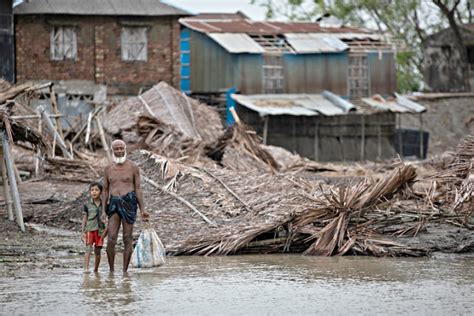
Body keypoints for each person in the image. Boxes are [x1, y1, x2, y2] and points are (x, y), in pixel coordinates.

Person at [101, 139, 149, 273]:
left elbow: (138, 188)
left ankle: (124, 271)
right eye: (116, 149)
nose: (119, 151)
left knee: (127, 237)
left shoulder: (133, 167)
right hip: (114, 203)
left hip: (129, 202)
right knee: (111, 238)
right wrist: (103, 211)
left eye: (121, 148)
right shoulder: (108, 169)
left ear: (125, 149)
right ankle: (111, 271)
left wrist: (142, 210)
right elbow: (105, 190)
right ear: (112, 150)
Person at [81, 182, 106, 273]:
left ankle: (96, 270)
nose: (94, 192)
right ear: (89, 192)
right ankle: (86, 268)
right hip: (90, 229)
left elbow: (107, 217)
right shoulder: (87, 205)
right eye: (92, 190)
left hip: (100, 230)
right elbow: (84, 218)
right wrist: (83, 231)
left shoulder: (104, 205)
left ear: (101, 192)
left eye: (96, 190)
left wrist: (106, 231)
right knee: (88, 249)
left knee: (98, 251)